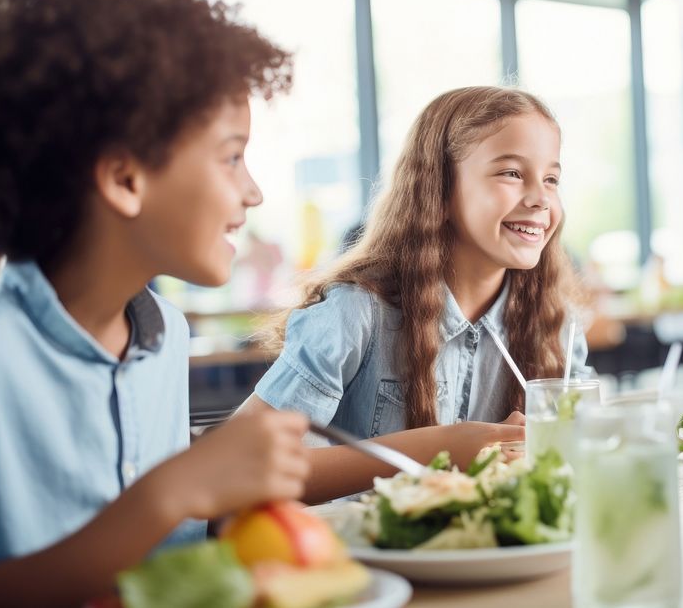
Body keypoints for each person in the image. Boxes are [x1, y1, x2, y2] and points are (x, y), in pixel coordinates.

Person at [0, 0, 310, 605]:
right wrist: (171, 493)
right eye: (231, 156)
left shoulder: (166, 337)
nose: (253, 191)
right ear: (125, 178)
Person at [238, 86, 587, 503]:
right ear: (439, 189)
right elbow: (247, 467)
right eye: (512, 173)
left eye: (552, 179)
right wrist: (441, 450)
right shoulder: (356, 314)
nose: (541, 198)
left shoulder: (558, 326)